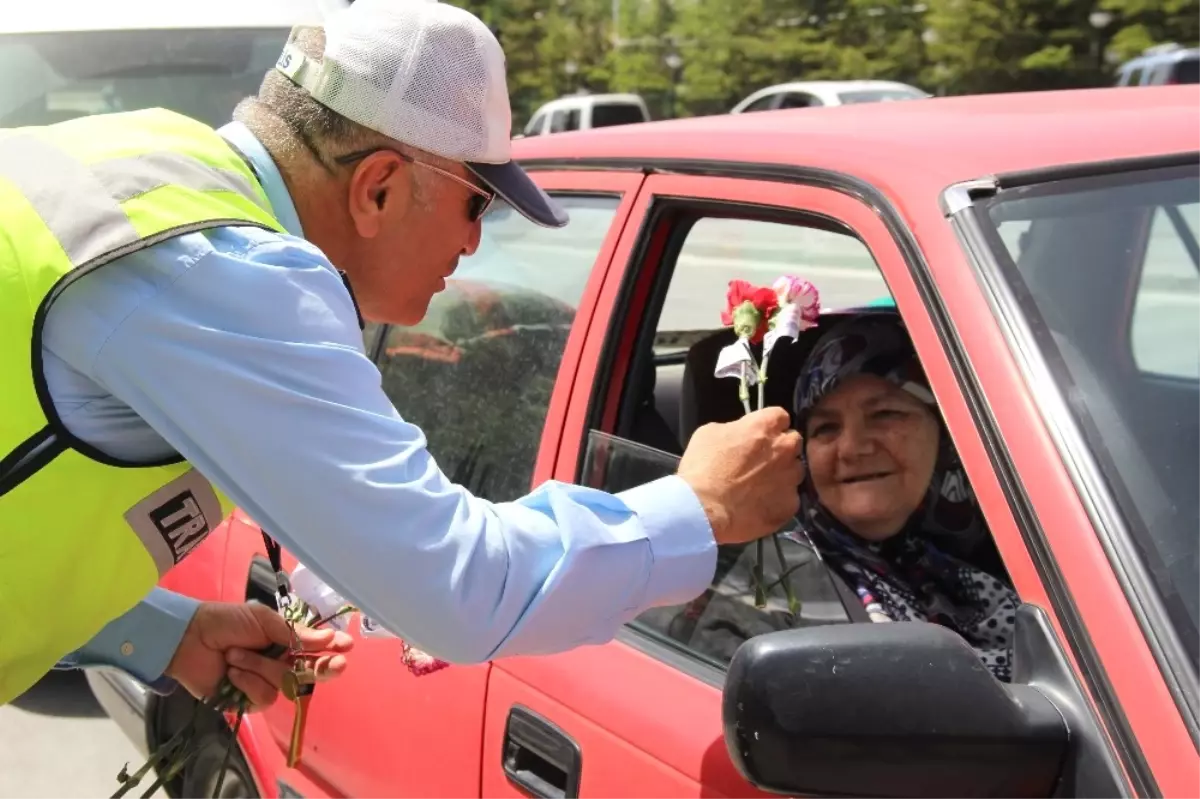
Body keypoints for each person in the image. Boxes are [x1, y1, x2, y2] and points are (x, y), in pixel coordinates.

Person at [0, 0, 803, 706]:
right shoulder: (223, 272)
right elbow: (462, 589)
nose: (475, 241)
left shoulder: (144, 159)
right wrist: (699, 507)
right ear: (379, 185)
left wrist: (156, 631)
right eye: (475, 200)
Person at [686, 314, 1019, 681]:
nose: (852, 447)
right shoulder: (776, 583)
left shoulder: (1024, 543)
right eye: (826, 427)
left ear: (944, 435)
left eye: (884, 415)